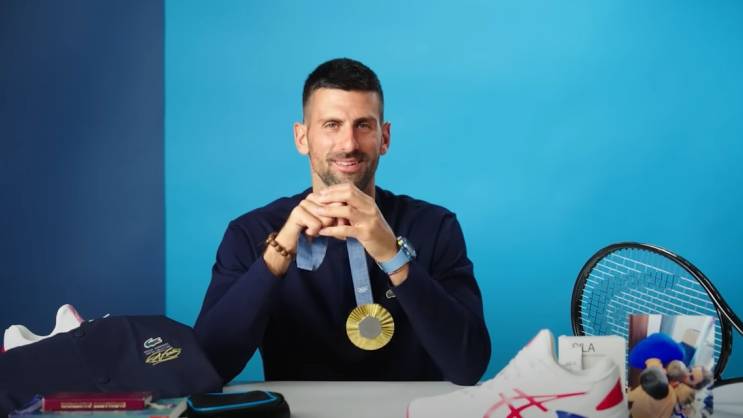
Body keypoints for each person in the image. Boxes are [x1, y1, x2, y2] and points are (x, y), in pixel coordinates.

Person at [194, 58, 490, 386]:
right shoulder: (250, 233)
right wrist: (279, 252)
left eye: (363, 125)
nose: (349, 144)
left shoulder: (435, 227)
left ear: (384, 137)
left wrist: (393, 256)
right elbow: (209, 365)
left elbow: (468, 366)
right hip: (299, 410)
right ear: (302, 137)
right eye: (332, 125)